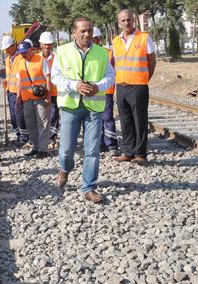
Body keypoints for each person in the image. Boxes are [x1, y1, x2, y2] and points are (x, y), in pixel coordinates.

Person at [51, 17, 115, 203]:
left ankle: (89, 187)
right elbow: (55, 76)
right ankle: (64, 168)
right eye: (83, 31)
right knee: (66, 149)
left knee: (92, 150)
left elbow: (110, 76)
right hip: (70, 107)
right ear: (74, 32)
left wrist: (98, 86)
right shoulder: (62, 51)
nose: (87, 34)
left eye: (90, 30)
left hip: (93, 108)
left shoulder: (102, 53)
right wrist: (74, 85)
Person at [112, 9, 157, 165]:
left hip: (138, 86)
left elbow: (152, 61)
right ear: (119, 23)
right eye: (123, 20)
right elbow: (113, 63)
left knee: (140, 120)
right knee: (125, 120)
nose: (126, 23)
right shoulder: (115, 41)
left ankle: (140, 153)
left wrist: (145, 78)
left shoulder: (144, 38)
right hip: (121, 85)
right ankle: (128, 151)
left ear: (134, 21)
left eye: (129, 19)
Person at [17, 40, 52, 158]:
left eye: (24, 52)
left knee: (43, 122)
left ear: (31, 50)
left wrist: (48, 96)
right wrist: (18, 97)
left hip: (41, 97)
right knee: (30, 123)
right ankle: (35, 147)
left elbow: (48, 79)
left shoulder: (41, 60)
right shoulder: (21, 63)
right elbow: (20, 82)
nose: (23, 54)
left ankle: (43, 149)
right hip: (27, 98)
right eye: (21, 52)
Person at [93, 27, 119, 155]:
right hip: (92, 91)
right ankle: (99, 143)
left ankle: (111, 144)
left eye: (94, 39)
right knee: (94, 118)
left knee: (107, 117)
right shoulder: (87, 52)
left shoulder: (108, 52)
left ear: (99, 39)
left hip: (106, 90)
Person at [1, 35, 28, 144]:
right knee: (13, 115)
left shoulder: (20, 57)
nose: (6, 51)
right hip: (10, 90)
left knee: (19, 115)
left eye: (7, 48)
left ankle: (24, 136)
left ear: (13, 45)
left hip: (20, 91)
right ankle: (18, 134)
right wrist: (5, 81)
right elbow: (9, 74)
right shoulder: (8, 59)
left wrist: (19, 94)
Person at [39, 32, 60, 145]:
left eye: (49, 44)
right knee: (42, 116)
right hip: (41, 92)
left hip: (55, 91)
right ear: (41, 44)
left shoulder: (57, 57)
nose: (47, 47)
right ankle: (43, 136)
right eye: (45, 44)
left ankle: (52, 137)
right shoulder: (36, 58)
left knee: (53, 114)